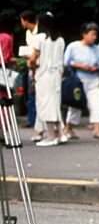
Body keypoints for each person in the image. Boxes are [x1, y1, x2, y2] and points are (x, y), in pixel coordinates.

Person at [27, 13, 66, 146]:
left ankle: (51, 136)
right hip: (57, 75)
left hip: (44, 75)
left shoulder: (41, 39)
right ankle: (60, 134)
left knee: (46, 105)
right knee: (55, 104)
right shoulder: (60, 40)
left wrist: (31, 66)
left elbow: (33, 59)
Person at [63, 22, 99, 139]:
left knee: (96, 104)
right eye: (92, 34)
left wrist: (95, 68)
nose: (94, 37)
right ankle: (68, 128)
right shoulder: (73, 46)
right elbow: (66, 62)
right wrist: (79, 65)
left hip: (93, 79)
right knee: (75, 105)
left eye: (96, 35)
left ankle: (97, 129)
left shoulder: (97, 49)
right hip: (78, 80)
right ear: (84, 34)